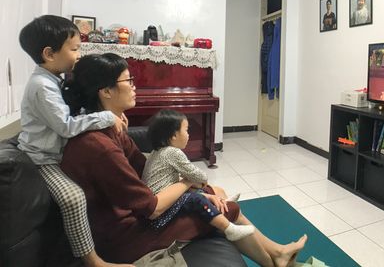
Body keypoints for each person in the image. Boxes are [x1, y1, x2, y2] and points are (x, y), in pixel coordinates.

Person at [61, 53, 307, 266]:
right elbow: (153, 208)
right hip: (127, 236)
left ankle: (277, 253)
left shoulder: (109, 130)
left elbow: (143, 168)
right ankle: (275, 262)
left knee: (213, 192)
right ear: (105, 91)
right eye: (129, 80)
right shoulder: (98, 145)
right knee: (227, 208)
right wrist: (189, 184)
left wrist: (196, 190)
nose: (135, 86)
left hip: (134, 215)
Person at [17, 15, 131, 267]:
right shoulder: (41, 87)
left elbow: (71, 114)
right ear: (49, 53)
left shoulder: (54, 79)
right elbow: (66, 126)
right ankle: (93, 262)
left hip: (55, 153)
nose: (79, 55)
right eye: (75, 49)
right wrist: (106, 115)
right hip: (43, 160)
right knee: (73, 198)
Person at [142, 109, 254, 241]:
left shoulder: (156, 152)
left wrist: (192, 182)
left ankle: (223, 202)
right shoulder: (172, 152)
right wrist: (201, 180)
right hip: (163, 213)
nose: (189, 135)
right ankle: (229, 228)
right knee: (196, 198)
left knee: (196, 190)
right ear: (173, 135)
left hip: (163, 203)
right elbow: (198, 175)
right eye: (186, 130)